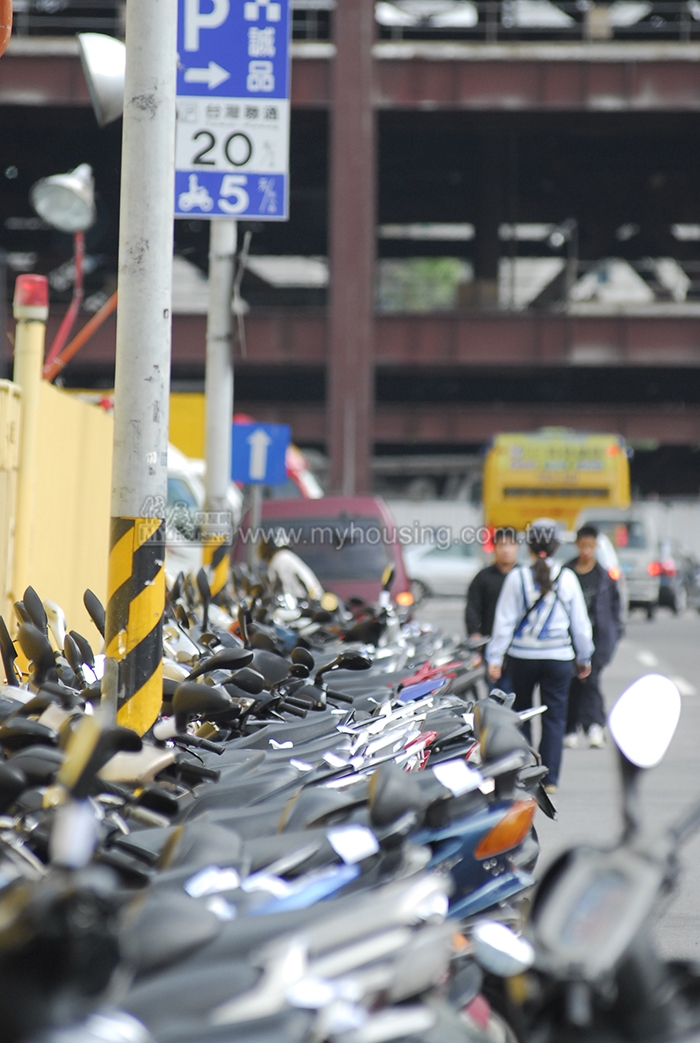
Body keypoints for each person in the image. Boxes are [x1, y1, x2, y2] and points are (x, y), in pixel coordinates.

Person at [486, 518, 593, 794]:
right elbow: (580, 625)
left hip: (522, 658)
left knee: (521, 715)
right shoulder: (567, 578)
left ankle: (524, 772)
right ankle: (550, 779)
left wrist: (494, 658)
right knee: (554, 719)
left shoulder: (517, 577)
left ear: (529, 547)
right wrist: (584, 657)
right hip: (559, 659)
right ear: (557, 546)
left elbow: (504, 623)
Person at [563, 524, 623, 749]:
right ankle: (574, 727)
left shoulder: (603, 576)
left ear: (596, 546)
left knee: (591, 679)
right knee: (572, 682)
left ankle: (592, 725)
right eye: (583, 546)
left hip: (598, 638)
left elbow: (616, 607)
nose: (586, 551)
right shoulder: (566, 573)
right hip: (569, 638)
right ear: (577, 545)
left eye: (590, 546)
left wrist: (615, 632)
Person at [465, 528, 518, 690]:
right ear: (494, 547)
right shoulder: (484, 577)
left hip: (518, 645)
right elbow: (472, 607)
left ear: (517, 547)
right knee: (496, 691)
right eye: (502, 545)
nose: (506, 550)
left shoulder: (523, 576)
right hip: (491, 642)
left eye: (510, 544)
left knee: (518, 692)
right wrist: (475, 634)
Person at [259, 530, 324, 601]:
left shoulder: (279, 560)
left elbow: (275, 591)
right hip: (304, 602)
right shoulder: (288, 557)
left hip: (295, 604)